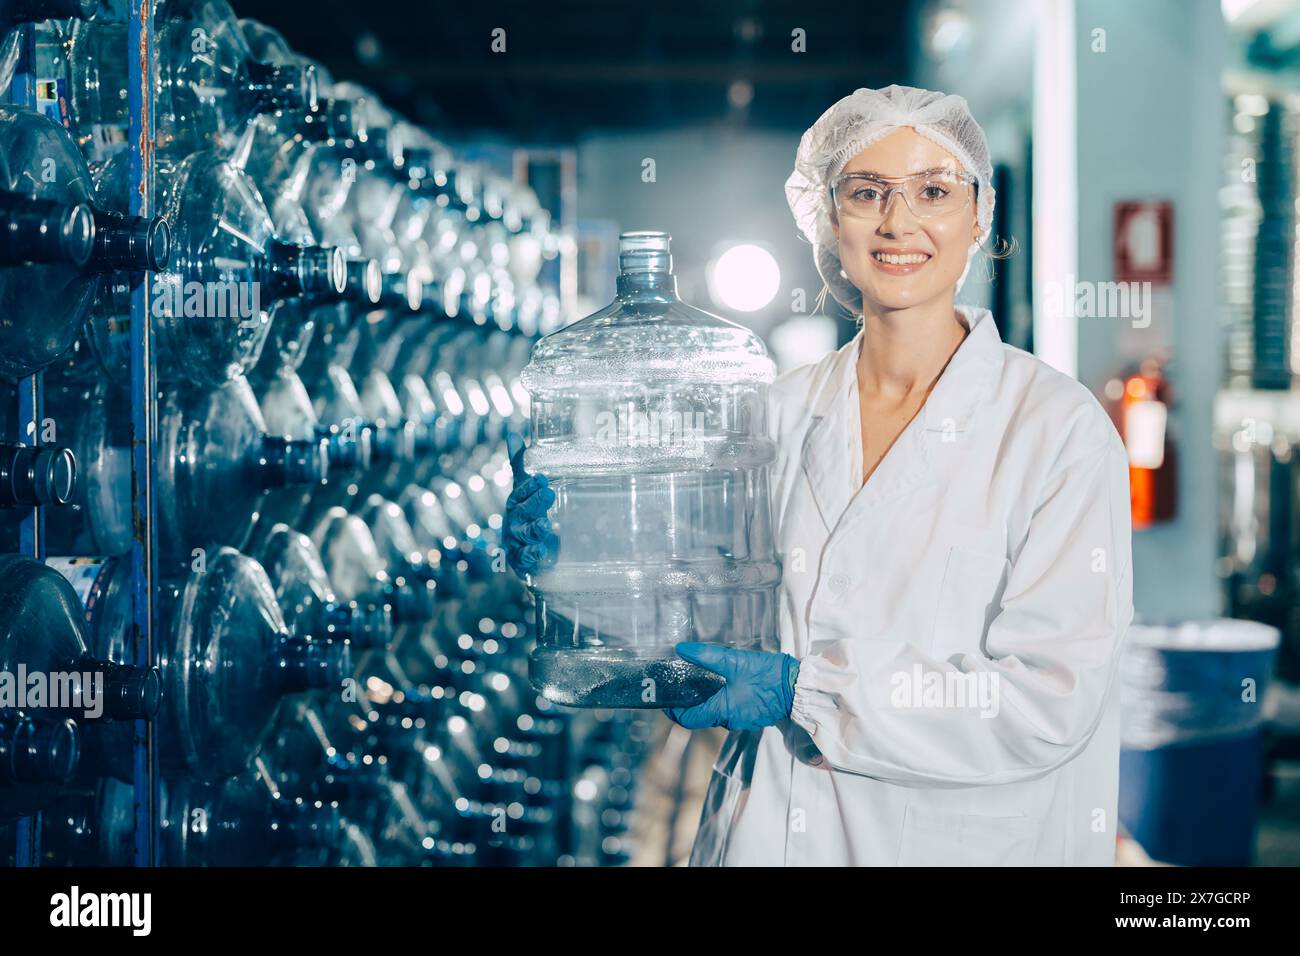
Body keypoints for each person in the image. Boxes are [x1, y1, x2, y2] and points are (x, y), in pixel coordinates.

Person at [505, 84, 1133, 866]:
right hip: (764, 834)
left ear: (979, 217)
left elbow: (1049, 699)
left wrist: (808, 692)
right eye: (867, 193)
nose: (899, 222)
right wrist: (575, 566)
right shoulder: (772, 416)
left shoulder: (1056, 432)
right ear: (829, 220)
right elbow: (689, 629)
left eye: (933, 191)